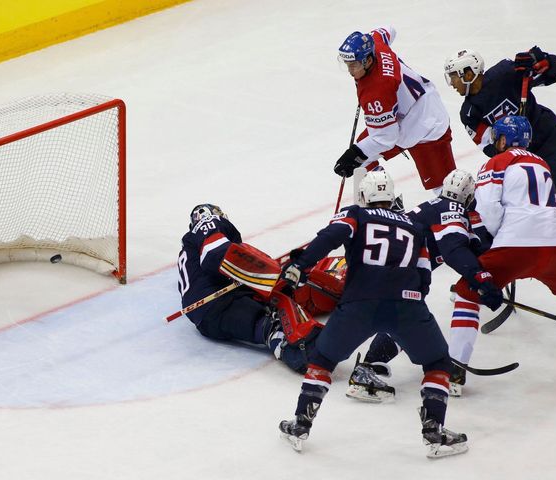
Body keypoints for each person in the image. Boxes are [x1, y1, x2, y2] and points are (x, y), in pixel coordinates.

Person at [277, 171, 468, 458]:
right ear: (392, 199)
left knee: (323, 360)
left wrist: (299, 266)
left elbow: (330, 236)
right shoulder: (415, 226)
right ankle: (434, 432)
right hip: (408, 305)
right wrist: (410, 306)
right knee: (437, 362)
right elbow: (424, 277)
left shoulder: (357, 214)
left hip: (359, 304)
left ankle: (301, 423)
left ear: (365, 197)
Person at [448, 116, 556, 395]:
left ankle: (454, 370)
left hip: (518, 242)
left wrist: (496, 240)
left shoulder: (496, 162)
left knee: (467, 291)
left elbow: (489, 209)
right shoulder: (542, 163)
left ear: (503, 139)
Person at [345, 169, 501, 401]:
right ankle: (364, 372)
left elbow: (473, 245)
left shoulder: (439, 205)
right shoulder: (453, 210)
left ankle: (372, 365)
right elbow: (454, 249)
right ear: (468, 196)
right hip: (397, 268)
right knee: (404, 317)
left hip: (392, 264)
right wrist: (481, 279)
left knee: (404, 318)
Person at [444, 47, 556, 262]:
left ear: (468, 74)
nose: (452, 85)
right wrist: (511, 141)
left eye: (454, 78)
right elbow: (490, 148)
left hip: (550, 145)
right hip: (523, 164)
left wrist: (543, 61)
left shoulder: (506, 74)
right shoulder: (469, 112)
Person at [177, 204, 321, 373]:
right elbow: (214, 254)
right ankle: (309, 356)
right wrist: (263, 273)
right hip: (220, 304)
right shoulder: (209, 222)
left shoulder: (187, 251)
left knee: (267, 313)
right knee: (272, 324)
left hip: (207, 322)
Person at [333, 27, 456, 192]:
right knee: (362, 162)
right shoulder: (375, 42)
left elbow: (386, 138)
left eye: (354, 65)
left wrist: (353, 154)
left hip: (427, 124)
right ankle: (383, 205)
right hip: (408, 108)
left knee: (445, 190)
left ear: (368, 61)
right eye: (347, 64)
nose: (350, 71)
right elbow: (388, 30)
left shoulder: (376, 92)